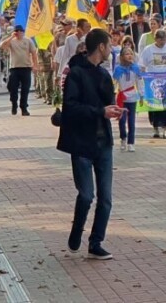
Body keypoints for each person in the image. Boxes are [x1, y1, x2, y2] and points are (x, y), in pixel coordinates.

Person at [57, 28, 120, 261]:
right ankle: (77, 230)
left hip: (104, 143)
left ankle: (96, 242)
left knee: (106, 198)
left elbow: (108, 103)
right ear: (101, 47)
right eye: (109, 45)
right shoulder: (76, 73)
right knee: (86, 195)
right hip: (82, 142)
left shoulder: (104, 75)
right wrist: (99, 111)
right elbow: (70, 108)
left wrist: (114, 110)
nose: (112, 49)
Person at [140, 29, 166, 139]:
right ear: (155, 39)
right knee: (155, 104)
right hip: (152, 80)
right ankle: (155, 127)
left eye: (164, 40)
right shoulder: (148, 50)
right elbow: (142, 64)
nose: (162, 42)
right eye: (160, 40)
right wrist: (142, 76)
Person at [0, 24, 39, 116]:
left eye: (20, 31)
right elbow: (2, 46)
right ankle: (14, 103)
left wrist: (35, 65)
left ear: (23, 32)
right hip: (14, 68)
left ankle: (24, 107)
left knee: (25, 89)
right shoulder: (12, 41)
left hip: (26, 67)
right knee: (12, 87)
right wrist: (11, 37)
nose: (18, 33)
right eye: (16, 31)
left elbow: (33, 53)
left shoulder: (28, 40)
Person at [112, 44, 140, 152]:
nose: (129, 56)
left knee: (131, 121)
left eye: (131, 54)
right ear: (122, 56)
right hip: (122, 97)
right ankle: (123, 138)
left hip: (132, 96)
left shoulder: (135, 68)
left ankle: (131, 142)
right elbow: (114, 83)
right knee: (122, 120)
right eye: (127, 54)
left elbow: (139, 81)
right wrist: (113, 93)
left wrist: (141, 95)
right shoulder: (118, 69)